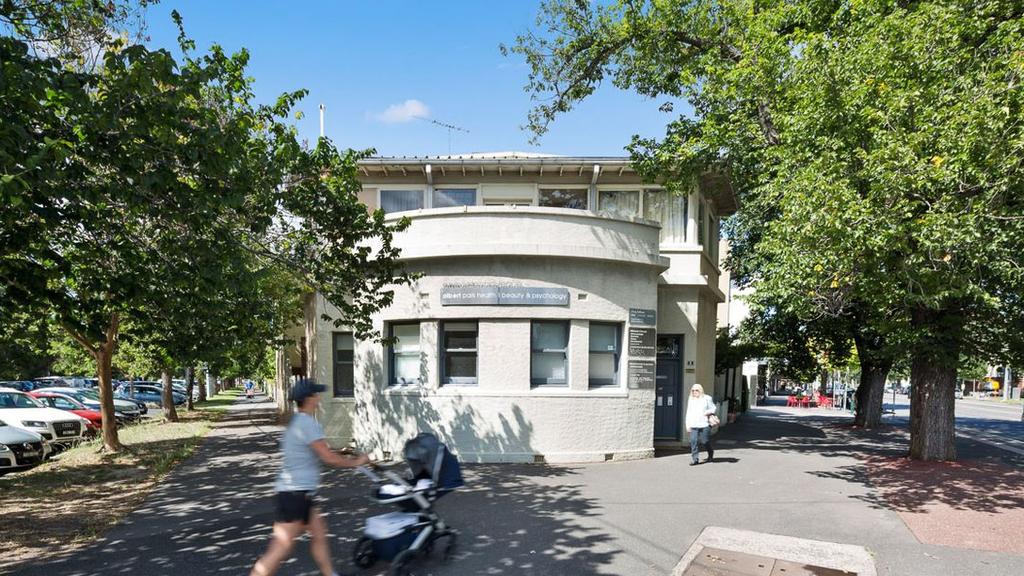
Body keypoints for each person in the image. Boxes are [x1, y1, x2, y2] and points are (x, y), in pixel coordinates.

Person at [250, 380, 371, 576]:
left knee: (319, 533)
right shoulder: (307, 423)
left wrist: (343, 453)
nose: (318, 397)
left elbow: (317, 451)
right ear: (308, 398)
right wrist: (357, 462)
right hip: (295, 495)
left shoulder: (298, 422)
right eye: (315, 394)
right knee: (280, 548)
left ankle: (330, 574)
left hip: (300, 494)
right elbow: (328, 457)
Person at [685, 384, 717, 466]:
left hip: (705, 423)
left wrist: (707, 412)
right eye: (693, 390)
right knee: (693, 441)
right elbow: (688, 412)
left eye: (696, 390)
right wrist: (687, 425)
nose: (694, 392)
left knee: (705, 441)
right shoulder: (691, 399)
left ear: (701, 390)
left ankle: (710, 453)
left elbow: (713, 408)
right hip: (694, 424)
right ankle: (695, 459)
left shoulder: (707, 398)